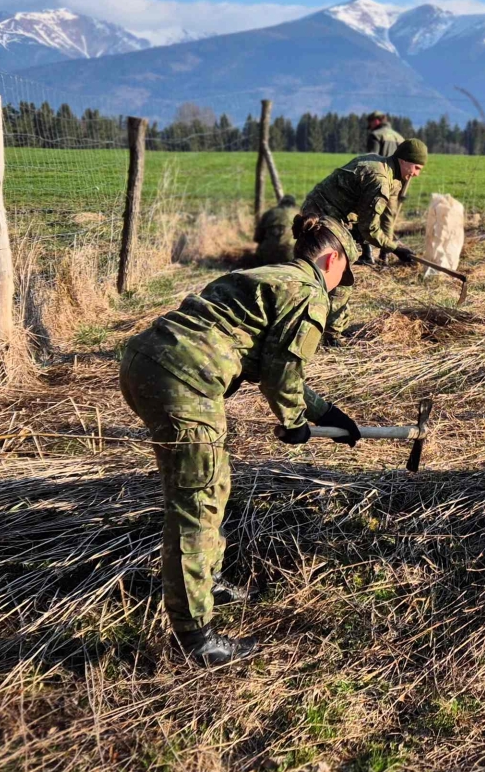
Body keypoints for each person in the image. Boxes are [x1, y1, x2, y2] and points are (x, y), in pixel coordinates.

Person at [119, 218, 363, 666]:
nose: (338, 286)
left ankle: (205, 581)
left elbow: (272, 360)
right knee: (197, 503)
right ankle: (196, 638)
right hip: (185, 378)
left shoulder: (271, 276)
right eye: (342, 275)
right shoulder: (309, 292)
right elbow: (282, 374)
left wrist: (325, 413)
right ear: (333, 259)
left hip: (147, 361)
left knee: (211, 485)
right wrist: (293, 423)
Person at [300, 138, 427, 343]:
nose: (417, 174)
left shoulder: (384, 167)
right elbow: (370, 230)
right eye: (416, 167)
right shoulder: (380, 179)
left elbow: (373, 214)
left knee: (320, 270)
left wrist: (363, 234)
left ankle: (312, 321)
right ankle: (331, 334)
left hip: (325, 211)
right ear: (404, 160)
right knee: (342, 272)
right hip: (323, 215)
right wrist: (395, 248)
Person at [253, 193, 299, 265]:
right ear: (293, 205)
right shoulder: (298, 213)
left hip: (268, 253)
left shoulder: (269, 213)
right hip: (289, 253)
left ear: (280, 203)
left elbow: (257, 238)